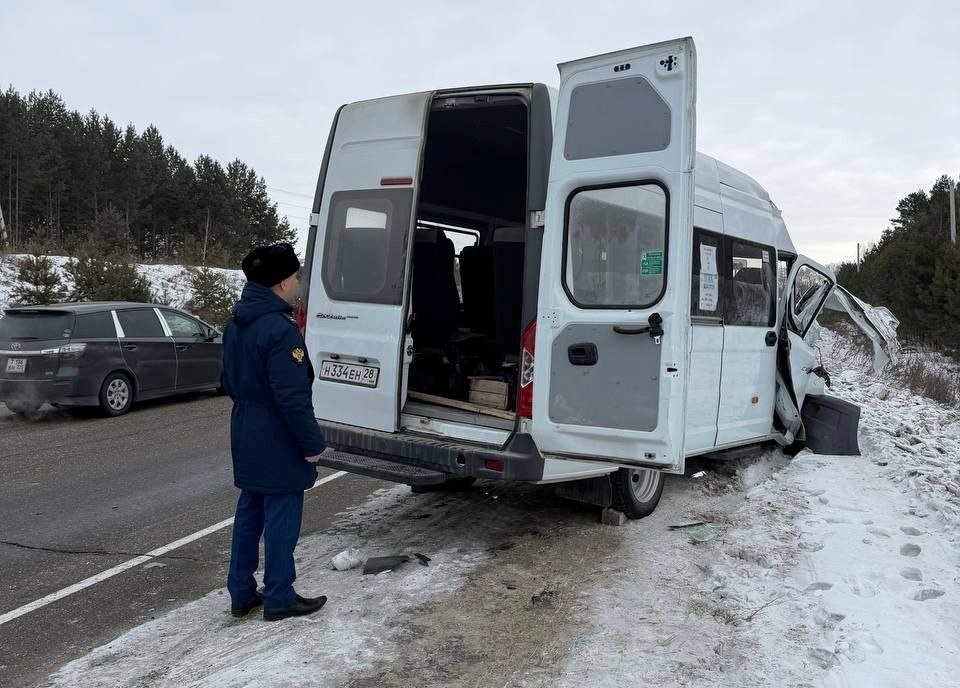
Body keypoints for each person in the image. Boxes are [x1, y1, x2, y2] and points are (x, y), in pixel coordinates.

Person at [221, 242, 328, 622]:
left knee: (250, 510)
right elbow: (292, 397)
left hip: (245, 425)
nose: (298, 283)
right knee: (282, 514)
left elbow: (226, 379)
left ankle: (241, 592)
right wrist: (312, 444)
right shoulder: (279, 330)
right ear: (282, 283)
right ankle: (279, 595)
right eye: (296, 276)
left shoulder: (236, 321)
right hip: (276, 432)